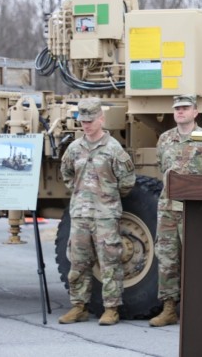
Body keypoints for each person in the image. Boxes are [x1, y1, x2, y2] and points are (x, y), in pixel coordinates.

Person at [149, 94, 202, 327]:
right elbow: (162, 167)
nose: (180, 112)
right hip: (167, 207)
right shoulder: (165, 139)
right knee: (167, 258)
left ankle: (201, 308)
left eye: (185, 108)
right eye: (177, 108)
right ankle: (169, 307)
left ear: (195, 112)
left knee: (199, 259)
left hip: (195, 208)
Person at [58, 97, 136, 326]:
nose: (86, 125)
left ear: (101, 119)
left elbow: (127, 181)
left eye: (90, 120)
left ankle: (111, 309)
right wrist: (83, 194)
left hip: (105, 214)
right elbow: (67, 175)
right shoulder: (74, 149)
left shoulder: (113, 149)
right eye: (83, 121)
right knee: (78, 260)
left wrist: (106, 196)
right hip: (81, 213)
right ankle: (78, 306)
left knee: (110, 260)